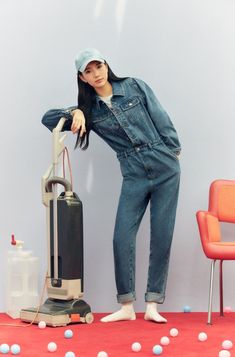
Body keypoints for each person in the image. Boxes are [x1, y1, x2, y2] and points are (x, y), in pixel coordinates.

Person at [42, 48, 181, 323]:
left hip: (164, 166)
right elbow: (47, 119)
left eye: (98, 66)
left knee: (161, 235)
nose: (96, 74)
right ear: (82, 77)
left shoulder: (133, 86)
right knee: (122, 237)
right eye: (88, 71)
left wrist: (172, 152)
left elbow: (161, 117)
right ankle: (127, 306)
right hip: (133, 173)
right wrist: (76, 111)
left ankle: (153, 304)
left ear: (106, 64)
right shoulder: (90, 110)